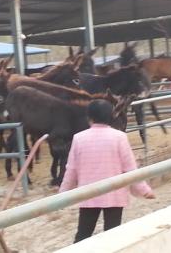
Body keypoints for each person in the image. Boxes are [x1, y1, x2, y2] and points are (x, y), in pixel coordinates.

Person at [59, 99, 155, 243]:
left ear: (89, 117)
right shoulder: (120, 137)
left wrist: (62, 195)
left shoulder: (79, 138)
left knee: (83, 235)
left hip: (88, 194)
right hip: (114, 194)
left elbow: (71, 169)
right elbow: (130, 168)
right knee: (113, 235)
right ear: (111, 117)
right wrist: (144, 190)